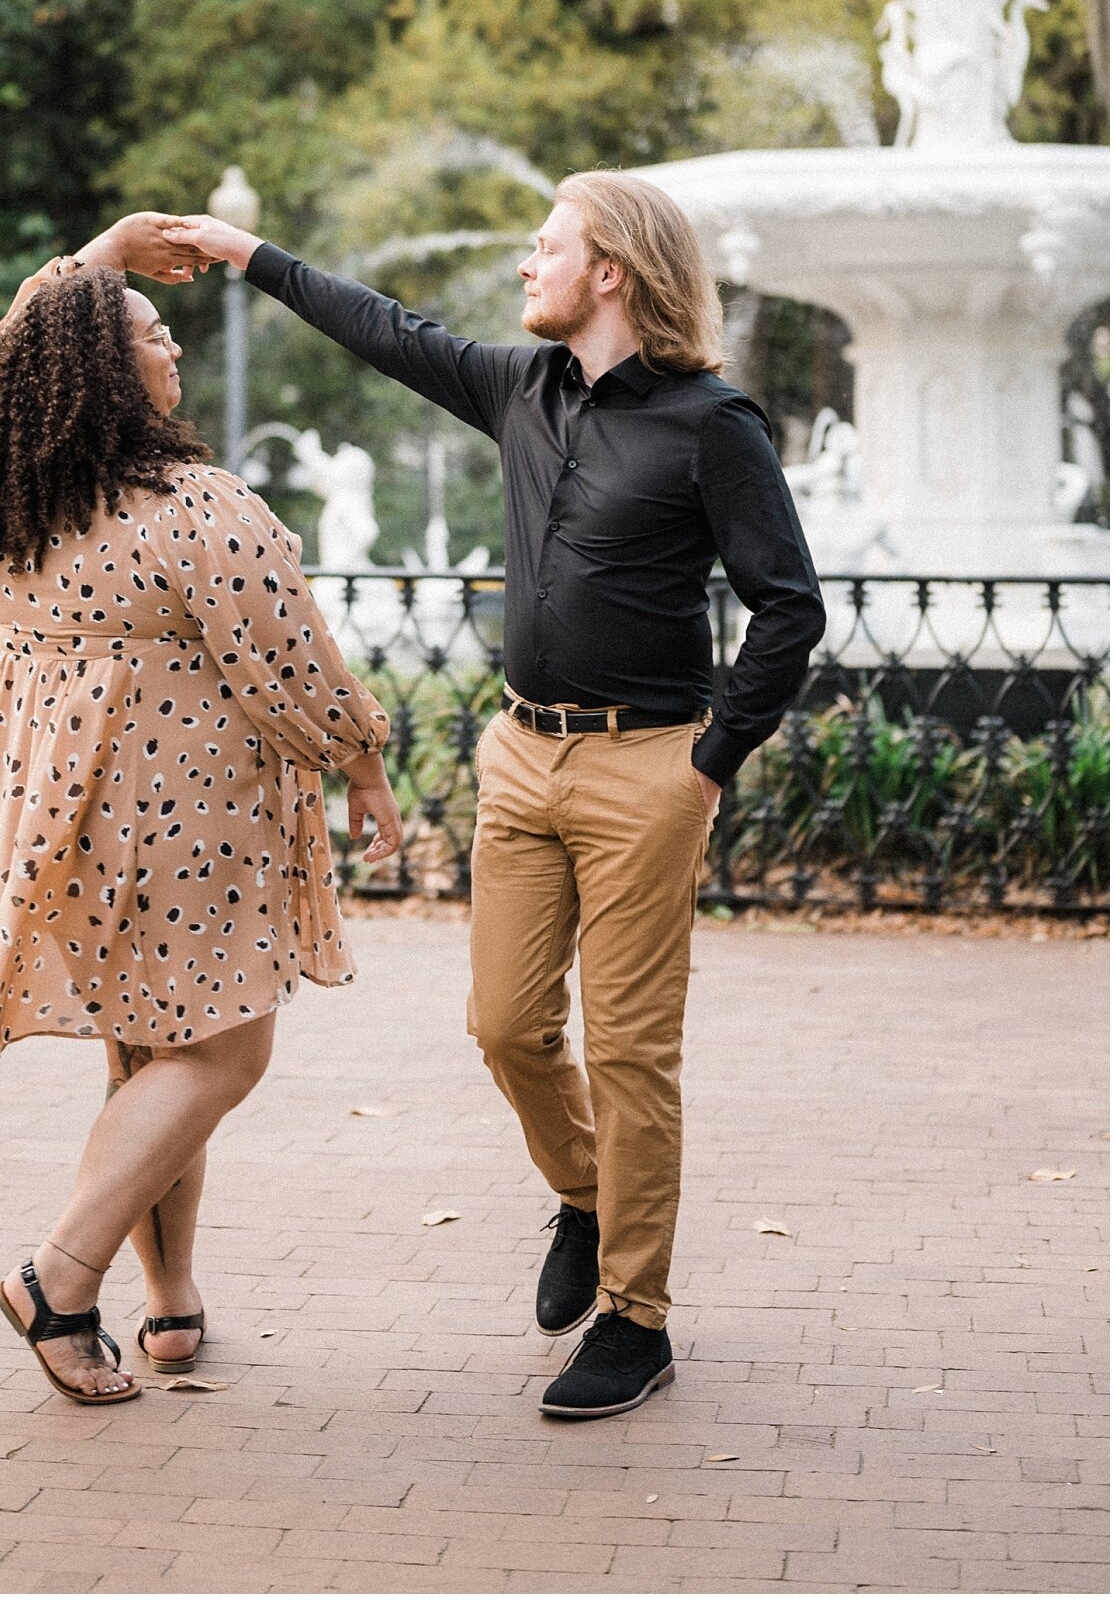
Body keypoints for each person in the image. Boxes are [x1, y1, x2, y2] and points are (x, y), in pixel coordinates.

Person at [164, 173, 826, 1421]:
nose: (529, 265)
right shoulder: (519, 388)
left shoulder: (710, 424)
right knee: (504, 1025)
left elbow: (790, 607)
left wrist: (708, 762)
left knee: (632, 1051)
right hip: (521, 757)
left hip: (650, 766)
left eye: (547, 248)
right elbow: (381, 326)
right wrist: (246, 249)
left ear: (612, 270)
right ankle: (583, 1190)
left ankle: (636, 1318)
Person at [0, 213, 402, 1406]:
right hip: (188, 817)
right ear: (100, 369)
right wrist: (367, 765)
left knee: (150, 1059)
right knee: (221, 1053)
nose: (172, 344)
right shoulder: (193, 504)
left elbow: (24, 337)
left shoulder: (15, 502)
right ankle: (57, 1277)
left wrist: (101, 258)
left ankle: (169, 1298)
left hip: (62, 815)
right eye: (152, 330)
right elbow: (295, 668)